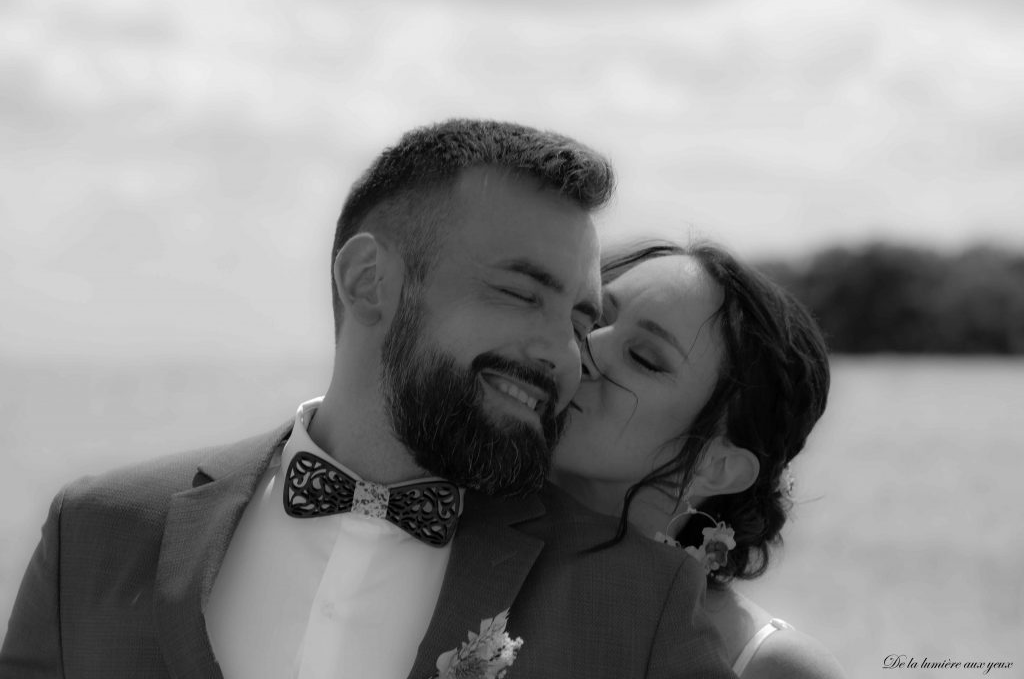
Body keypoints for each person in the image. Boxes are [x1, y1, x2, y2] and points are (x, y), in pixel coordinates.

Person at [0, 121, 735, 678]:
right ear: (368, 282)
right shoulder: (96, 534)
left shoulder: (638, 604)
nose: (563, 353)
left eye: (581, 320)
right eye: (519, 293)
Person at [551, 240, 847, 678]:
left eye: (644, 357)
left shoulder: (767, 667)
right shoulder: (443, 542)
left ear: (719, 465)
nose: (587, 349)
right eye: (590, 318)